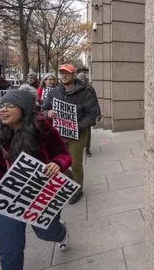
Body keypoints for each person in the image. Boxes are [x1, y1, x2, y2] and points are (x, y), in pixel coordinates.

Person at [0, 89, 72, 270]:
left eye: (10, 106)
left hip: (39, 195)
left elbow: (64, 155)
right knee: (10, 252)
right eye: (1, 106)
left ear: (24, 109)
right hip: (4, 199)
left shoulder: (43, 130)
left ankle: (61, 233)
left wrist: (58, 163)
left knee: (47, 233)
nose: (4, 110)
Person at [43, 64, 98, 204]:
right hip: (58, 135)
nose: (64, 75)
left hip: (77, 135)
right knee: (60, 163)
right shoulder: (53, 92)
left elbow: (91, 115)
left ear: (73, 74)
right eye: (61, 73)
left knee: (76, 164)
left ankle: (77, 190)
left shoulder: (85, 93)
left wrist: (76, 127)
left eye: (67, 73)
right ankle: (70, 182)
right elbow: (42, 110)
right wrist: (47, 113)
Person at [76, 73, 101, 158]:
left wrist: (98, 113)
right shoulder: (73, 88)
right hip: (77, 113)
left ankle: (87, 149)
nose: (81, 81)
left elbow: (95, 101)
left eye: (83, 79)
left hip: (87, 113)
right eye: (79, 79)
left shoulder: (90, 89)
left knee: (87, 133)